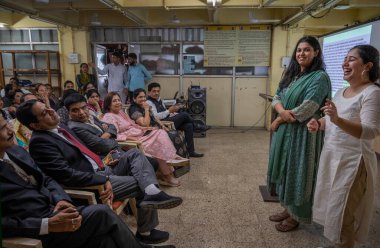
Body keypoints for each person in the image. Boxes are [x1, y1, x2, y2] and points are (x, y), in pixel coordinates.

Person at [16, 99, 183, 244]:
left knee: (135, 154)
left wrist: (107, 145)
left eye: (49, 108)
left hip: (102, 167)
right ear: (35, 125)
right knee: (142, 182)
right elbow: (66, 174)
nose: (52, 111)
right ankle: (146, 230)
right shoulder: (40, 143)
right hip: (93, 182)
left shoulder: (61, 127)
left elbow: (106, 130)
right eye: (45, 112)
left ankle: (152, 192)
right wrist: (101, 180)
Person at [307, 45, 380, 248]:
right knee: (333, 209)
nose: (344, 63)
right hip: (332, 158)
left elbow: (371, 131)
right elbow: (331, 119)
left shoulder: (372, 93)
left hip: (353, 163)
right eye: (344, 59)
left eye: (351, 59)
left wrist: (336, 120)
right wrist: (319, 123)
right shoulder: (342, 91)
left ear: (368, 65)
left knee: (344, 214)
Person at [266, 36, 331, 232]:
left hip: (303, 134)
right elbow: (276, 95)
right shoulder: (292, 74)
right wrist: (280, 109)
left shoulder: (319, 77)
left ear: (316, 53)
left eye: (307, 50)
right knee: (285, 172)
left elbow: (308, 108)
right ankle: (287, 208)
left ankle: (297, 216)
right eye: (299, 50)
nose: (301, 53)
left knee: (299, 172)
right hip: (286, 133)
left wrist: (278, 119)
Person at [102, 92, 187, 187]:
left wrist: (144, 128)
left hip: (139, 135)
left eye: (119, 100)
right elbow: (114, 135)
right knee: (157, 146)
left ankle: (170, 161)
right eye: (114, 101)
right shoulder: (108, 117)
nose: (118, 102)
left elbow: (132, 124)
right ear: (108, 104)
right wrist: (130, 138)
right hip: (131, 143)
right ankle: (167, 174)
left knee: (160, 132)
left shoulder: (121, 113)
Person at [147, 82, 207, 157]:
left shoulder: (159, 100)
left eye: (158, 91)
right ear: (149, 92)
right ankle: (198, 126)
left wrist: (173, 113)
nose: (156, 93)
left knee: (188, 125)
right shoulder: (148, 102)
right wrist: (169, 111)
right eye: (154, 91)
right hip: (162, 124)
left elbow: (164, 112)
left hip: (168, 120)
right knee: (184, 114)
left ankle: (191, 151)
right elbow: (156, 117)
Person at [130, 88, 189, 159]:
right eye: (140, 97)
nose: (143, 99)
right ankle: (172, 161)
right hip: (148, 133)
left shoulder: (143, 106)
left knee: (177, 133)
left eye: (144, 97)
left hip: (157, 129)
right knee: (173, 136)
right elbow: (145, 124)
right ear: (134, 99)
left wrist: (163, 126)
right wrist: (146, 109)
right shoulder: (134, 109)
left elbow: (155, 118)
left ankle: (181, 160)